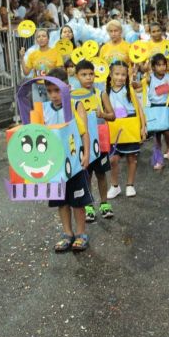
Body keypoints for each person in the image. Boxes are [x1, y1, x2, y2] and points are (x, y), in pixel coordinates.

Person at [42, 67, 93, 252]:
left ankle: (81, 234)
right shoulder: (44, 109)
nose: (54, 95)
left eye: (57, 90)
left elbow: (84, 132)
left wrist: (87, 154)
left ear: (67, 87)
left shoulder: (75, 105)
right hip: (54, 165)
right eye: (49, 91)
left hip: (74, 163)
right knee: (61, 201)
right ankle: (67, 233)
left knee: (77, 201)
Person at [72, 60, 116, 221]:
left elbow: (112, 115)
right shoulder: (72, 96)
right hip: (82, 142)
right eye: (84, 75)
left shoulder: (100, 93)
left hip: (100, 141)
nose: (88, 78)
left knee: (101, 174)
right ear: (77, 76)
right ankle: (89, 206)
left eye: (91, 74)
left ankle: (104, 204)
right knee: (86, 175)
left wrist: (102, 115)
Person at [106, 61, 146, 199]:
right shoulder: (106, 91)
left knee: (132, 158)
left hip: (130, 126)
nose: (120, 77)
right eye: (116, 74)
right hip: (114, 127)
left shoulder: (129, 89)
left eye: (123, 74)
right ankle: (115, 186)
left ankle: (130, 185)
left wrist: (143, 127)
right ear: (110, 75)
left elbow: (139, 108)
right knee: (113, 159)